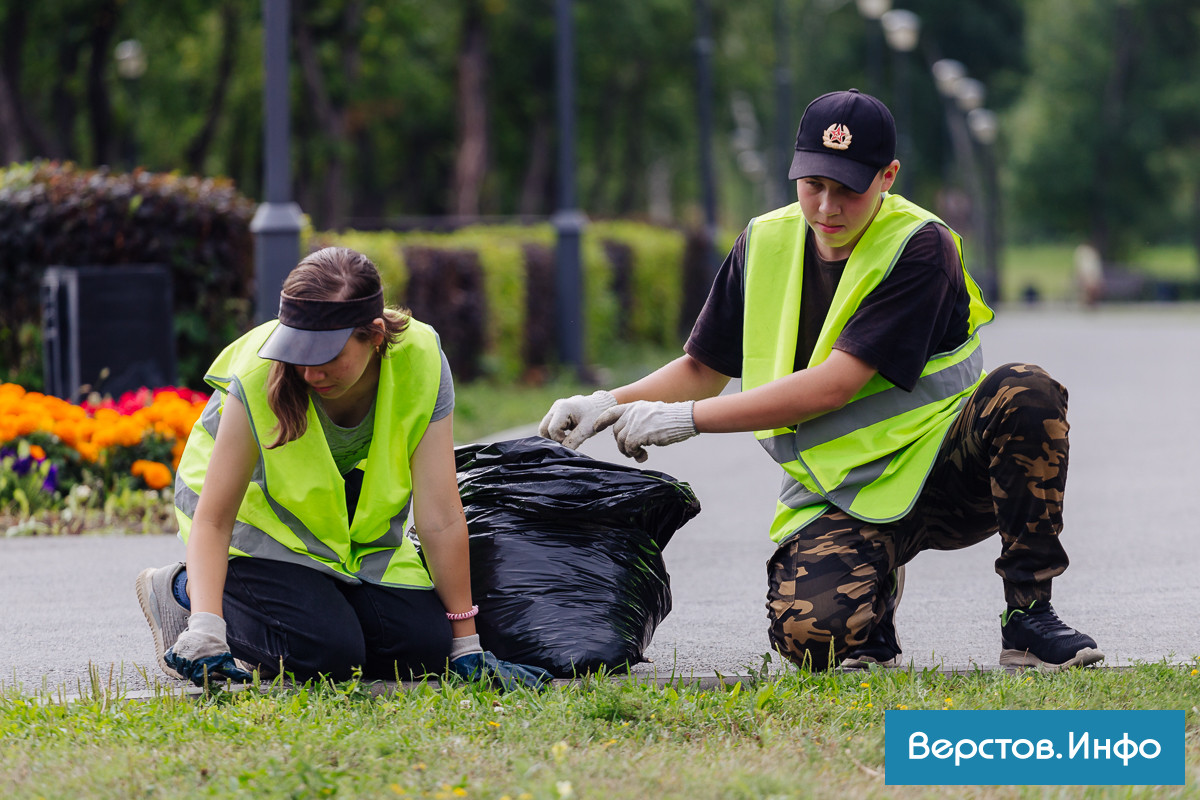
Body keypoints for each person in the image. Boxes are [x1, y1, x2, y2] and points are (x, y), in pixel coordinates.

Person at [540, 89, 1103, 673]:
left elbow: (835, 385)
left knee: (1026, 391)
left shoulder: (919, 245)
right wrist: (609, 401)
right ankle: (869, 605)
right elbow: (704, 369)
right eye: (814, 184)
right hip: (845, 494)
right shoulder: (763, 243)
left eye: (849, 189)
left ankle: (1029, 617)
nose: (827, 208)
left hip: (951, 470)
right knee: (815, 636)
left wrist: (686, 421)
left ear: (887, 178)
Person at [136, 246, 551, 690]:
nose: (310, 372)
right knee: (326, 655)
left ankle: (311, 609)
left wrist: (466, 643)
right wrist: (206, 627)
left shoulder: (421, 360)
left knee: (426, 648)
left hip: (334, 538)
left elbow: (441, 514)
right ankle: (183, 591)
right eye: (299, 351)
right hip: (245, 528)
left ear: (374, 335)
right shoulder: (260, 373)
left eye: (326, 354)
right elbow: (215, 519)